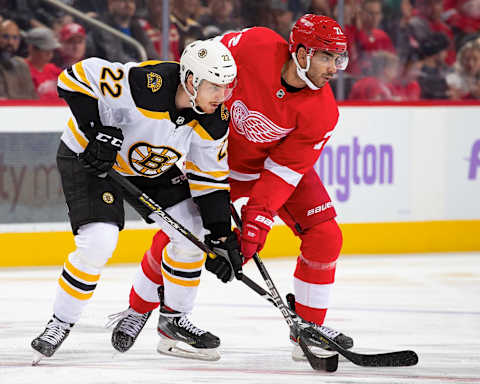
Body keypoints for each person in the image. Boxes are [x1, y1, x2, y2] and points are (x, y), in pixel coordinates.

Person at [115, 14, 355, 362]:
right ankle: (139, 309)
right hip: (214, 157)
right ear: (301, 54)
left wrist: (253, 229)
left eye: (339, 59)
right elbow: (200, 65)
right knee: (184, 234)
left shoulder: (323, 112)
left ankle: (308, 328)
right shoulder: (256, 44)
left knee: (326, 235)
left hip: (269, 168)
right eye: (327, 57)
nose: (335, 68)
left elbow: (282, 173)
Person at [30, 39, 241, 364]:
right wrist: (94, 129)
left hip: (150, 167)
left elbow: (209, 178)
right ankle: (60, 322)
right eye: (214, 86)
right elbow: (72, 76)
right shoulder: (145, 85)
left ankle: (174, 321)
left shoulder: (214, 119)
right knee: (99, 241)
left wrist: (221, 236)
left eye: (226, 87)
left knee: (193, 236)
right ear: (190, 80)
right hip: (92, 158)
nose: (221, 96)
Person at [0, 19, 37, 99]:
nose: (10, 42)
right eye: (5, 37)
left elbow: (33, 97)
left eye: (15, 38)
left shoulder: (22, 65)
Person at [24, 27, 62, 100]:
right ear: (31, 48)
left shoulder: (53, 69)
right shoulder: (21, 69)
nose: (49, 53)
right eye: (44, 49)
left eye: (51, 49)